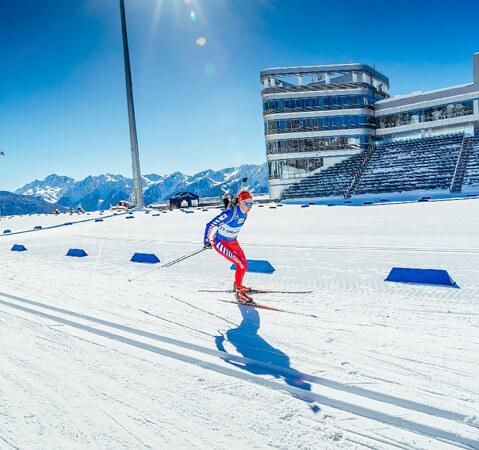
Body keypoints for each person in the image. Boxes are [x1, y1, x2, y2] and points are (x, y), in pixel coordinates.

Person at [203, 190, 254, 303]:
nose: (250, 206)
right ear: (241, 202)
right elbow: (210, 225)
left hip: (233, 242)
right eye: (247, 203)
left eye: (252, 203)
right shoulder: (230, 213)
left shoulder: (244, 212)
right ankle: (239, 293)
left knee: (244, 264)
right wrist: (206, 241)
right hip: (221, 243)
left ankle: (238, 285)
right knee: (240, 264)